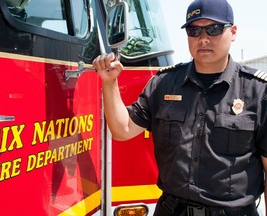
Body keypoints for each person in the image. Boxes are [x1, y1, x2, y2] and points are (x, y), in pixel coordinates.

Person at [92, 0, 267, 215]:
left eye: (213, 29)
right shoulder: (164, 83)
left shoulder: (257, 92)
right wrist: (109, 83)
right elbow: (122, 130)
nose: (203, 38)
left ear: (233, 32)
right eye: (194, 30)